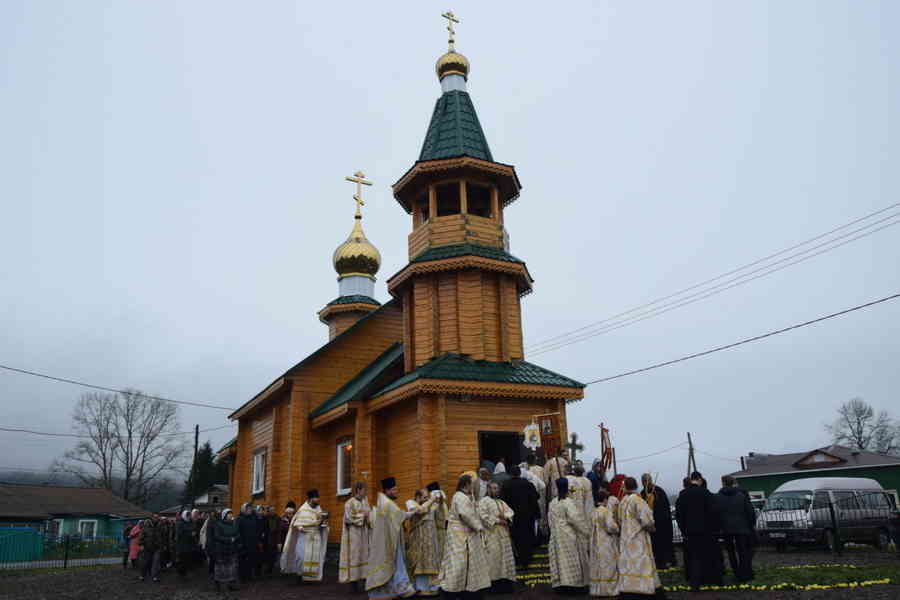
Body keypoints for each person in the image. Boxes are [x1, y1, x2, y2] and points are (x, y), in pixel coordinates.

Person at [438, 474, 490, 599]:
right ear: (466, 484)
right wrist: (480, 527)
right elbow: (467, 515)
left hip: (465, 536)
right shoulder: (460, 497)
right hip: (459, 537)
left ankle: (468, 590)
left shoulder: (466, 496)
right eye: (473, 483)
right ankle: (451, 592)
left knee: (466, 565)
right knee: (457, 566)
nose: (475, 486)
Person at [366, 477, 417, 599]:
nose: (396, 491)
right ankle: (402, 588)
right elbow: (401, 516)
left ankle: (392, 590)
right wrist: (413, 512)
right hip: (388, 542)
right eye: (394, 489)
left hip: (389, 539)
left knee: (392, 565)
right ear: (387, 490)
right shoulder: (387, 504)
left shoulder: (384, 502)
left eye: (396, 488)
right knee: (395, 563)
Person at [616, 477, 662, 598]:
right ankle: (643, 590)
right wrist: (652, 528)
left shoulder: (623, 501)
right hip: (638, 539)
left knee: (629, 566)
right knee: (641, 565)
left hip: (626, 539)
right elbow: (647, 520)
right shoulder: (638, 500)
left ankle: (629, 590)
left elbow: (619, 520)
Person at [676, 471, 722, 591]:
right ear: (700, 479)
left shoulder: (683, 494)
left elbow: (679, 515)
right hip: (707, 530)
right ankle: (712, 579)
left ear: (691, 479)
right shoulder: (706, 493)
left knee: (693, 558)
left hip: (690, 531)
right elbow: (714, 512)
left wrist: (683, 530)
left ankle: (695, 583)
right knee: (710, 555)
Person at [548, 477, 589, 593]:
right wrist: (586, 532)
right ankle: (573, 586)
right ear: (566, 488)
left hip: (556, 535)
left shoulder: (552, 503)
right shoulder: (568, 502)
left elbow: (550, 520)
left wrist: (554, 531)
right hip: (568, 535)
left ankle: (561, 585)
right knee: (572, 560)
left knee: (560, 559)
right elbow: (575, 520)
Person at [281, 489, 329, 582]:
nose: (318, 500)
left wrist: (324, 524)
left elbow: (321, 522)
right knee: (301, 557)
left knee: (315, 557)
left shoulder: (319, 509)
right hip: (304, 537)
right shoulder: (303, 509)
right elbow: (296, 523)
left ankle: (311, 577)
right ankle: (300, 575)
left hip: (315, 537)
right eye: (316, 498)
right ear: (311, 499)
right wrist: (301, 528)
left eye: (318, 498)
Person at [478, 481, 516, 593]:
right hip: (492, 534)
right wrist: (498, 521)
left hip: (503, 535)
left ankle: (505, 583)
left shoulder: (501, 502)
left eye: (497, 488)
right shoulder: (483, 501)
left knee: (505, 560)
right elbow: (483, 516)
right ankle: (493, 585)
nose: (496, 490)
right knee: (493, 560)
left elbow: (510, 512)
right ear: (488, 489)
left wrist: (506, 517)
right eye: (494, 488)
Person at [501, 465, 541, 569]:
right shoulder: (527, 484)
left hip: (513, 516)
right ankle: (527, 559)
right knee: (527, 536)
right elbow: (536, 496)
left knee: (516, 537)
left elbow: (502, 500)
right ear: (519, 473)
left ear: (510, 474)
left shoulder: (506, 485)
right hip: (527, 515)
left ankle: (517, 558)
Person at [717, 475, 755, 582]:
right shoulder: (741, 496)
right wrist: (750, 525)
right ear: (733, 483)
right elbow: (749, 512)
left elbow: (715, 513)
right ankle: (745, 573)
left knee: (731, 552)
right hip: (742, 528)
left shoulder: (718, 497)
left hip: (726, 529)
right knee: (743, 551)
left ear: (723, 483)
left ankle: (736, 572)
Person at [405, 488, 440, 596]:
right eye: (425, 498)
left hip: (430, 542)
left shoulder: (430, 505)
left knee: (430, 562)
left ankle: (432, 587)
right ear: (417, 497)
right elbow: (420, 511)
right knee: (419, 563)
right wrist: (431, 500)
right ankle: (419, 587)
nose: (427, 499)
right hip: (417, 541)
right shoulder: (411, 503)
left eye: (428, 497)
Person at [340, 481, 372, 591]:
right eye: (364, 490)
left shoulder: (365, 502)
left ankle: (364, 580)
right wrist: (364, 516)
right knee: (355, 556)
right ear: (358, 490)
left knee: (364, 555)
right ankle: (353, 583)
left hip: (364, 533)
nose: (365, 492)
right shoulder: (349, 503)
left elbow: (369, 516)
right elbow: (349, 518)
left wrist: (370, 518)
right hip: (354, 534)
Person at [589, 489, 619, 598]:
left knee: (597, 564)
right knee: (609, 565)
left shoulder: (594, 511)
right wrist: (617, 527)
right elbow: (611, 526)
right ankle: (609, 590)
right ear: (605, 499)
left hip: (595, 541)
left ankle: (597, 590)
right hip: (606, 541)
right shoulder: (606, 511)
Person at [641, 474, 675, 569]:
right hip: (649, 524)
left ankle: (665, 562)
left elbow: (664, 508)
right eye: (644, 481)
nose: (646, 483)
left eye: (647, 481)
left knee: (663, 544)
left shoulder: (659, 492)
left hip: (661, 523)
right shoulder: (643, 493)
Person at [213, 509, 242, 592]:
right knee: (220, 568)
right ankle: (218, 584)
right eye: (229, 514)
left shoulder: (234, 524)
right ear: (224, 515)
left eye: (231, 514)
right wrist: (229, 539)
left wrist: (235, 538)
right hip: (221, 550)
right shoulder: (218, 524)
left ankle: (231, 585)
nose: (231, 515)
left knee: (232, 568)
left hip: (232, 549)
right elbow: (217, 536)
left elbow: (238, 534)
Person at [235, 503, 259, 582]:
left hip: (252, 543)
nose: (250, 510)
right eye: (248, 509)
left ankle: (249, 576)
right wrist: (240, 542)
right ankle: (242, 577)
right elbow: (237, 531)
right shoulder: (239, 518)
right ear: (244, 509)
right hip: (243, 543)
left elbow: (256, 529)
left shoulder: (253, 518)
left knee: (251, 560)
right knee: (242, 561)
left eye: (250, 508)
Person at [427, 481, 448, 559]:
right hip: (435, 531)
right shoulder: (435, 505)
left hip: (440, 531)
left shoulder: (440, 505)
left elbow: (445, 520)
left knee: (440, 552)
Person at [139, 516, 163, 582]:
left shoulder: (158, 527)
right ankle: (142, 575)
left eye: (157, 518)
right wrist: (141, 545)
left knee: (155, 562)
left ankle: (154, 576)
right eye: (155, 517)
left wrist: (160, 545)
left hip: (156, 548)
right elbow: (141, 538)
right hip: (147, 548)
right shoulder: (145, 528)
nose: (156, 519)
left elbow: (160, 537)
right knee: (146, 562)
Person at [175, 510, 195, 578]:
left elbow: (193, 529)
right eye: (187, 515)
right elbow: (179, 534)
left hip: (189, 544)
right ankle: (181, 573)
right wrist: (190, 534)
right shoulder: (180, 523)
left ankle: (184, 572)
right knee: (182, 560)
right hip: (182, 545)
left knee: (187, 559)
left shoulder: (190, 522)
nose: (189, 517)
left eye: (189, 515)